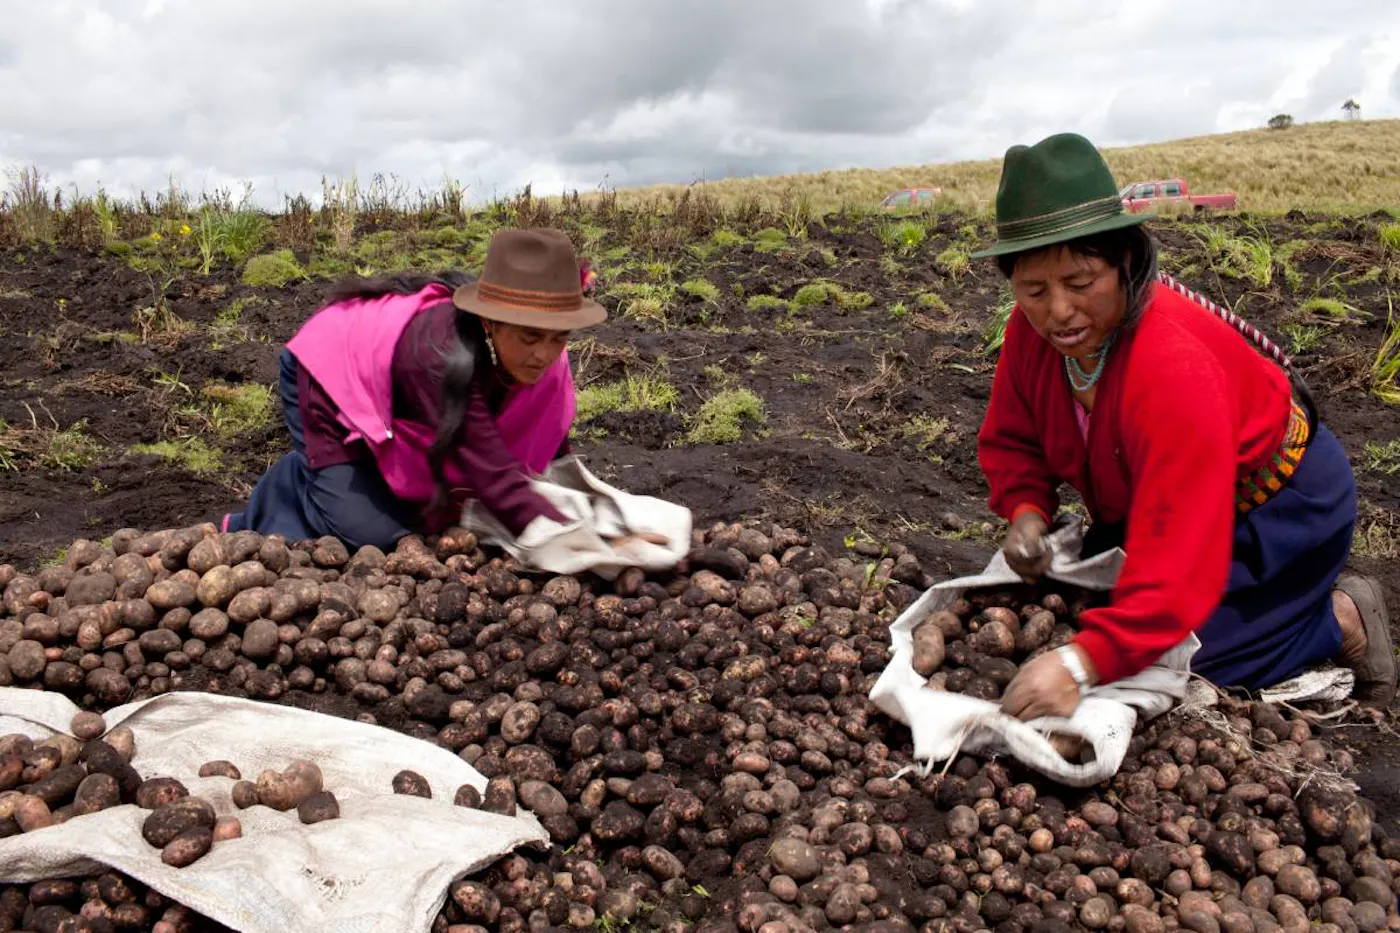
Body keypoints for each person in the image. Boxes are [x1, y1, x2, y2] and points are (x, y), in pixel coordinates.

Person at [969, 132, 1395, 724]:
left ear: (1124, 263)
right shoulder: (1030, 334)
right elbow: (1014, 439)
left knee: (1184, 664)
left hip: (1275, 512)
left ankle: (1340, 617)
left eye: (1081, 282)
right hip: (1163, 505)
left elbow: (1179, 550)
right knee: (1084, 607)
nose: (1057, 311)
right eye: (1033, 289)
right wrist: (1026, 513)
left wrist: (1079, 666)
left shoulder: (1169, 365)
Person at [221, 227, 663, 559]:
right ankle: (293, 485)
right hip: (327, 373)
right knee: (371, 537)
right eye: (530, 338)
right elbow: (499, 482)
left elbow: (549, 449)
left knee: (440, 510)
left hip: (414, 389)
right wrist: (593, 543)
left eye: (559, 338)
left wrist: (601, 515)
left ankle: (349, 479)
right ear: (491, 323)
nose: (545, 354)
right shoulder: (438, 354)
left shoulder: (539, 350)